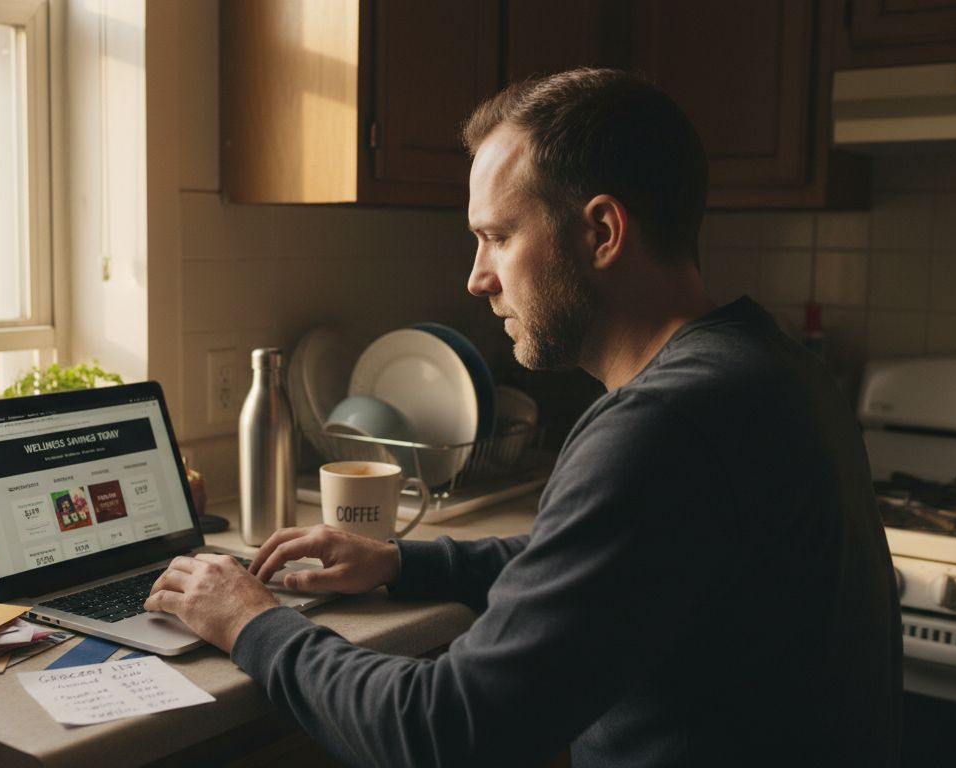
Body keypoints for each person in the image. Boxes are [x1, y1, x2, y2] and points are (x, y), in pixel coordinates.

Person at [145, 68, 901, 767]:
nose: (477, 279)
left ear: (601, 232)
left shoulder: (662, 424)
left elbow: (442, 730)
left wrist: (252, 622)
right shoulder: (770, 366)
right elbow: (604, 565)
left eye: (498, 237)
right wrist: (409, 562)